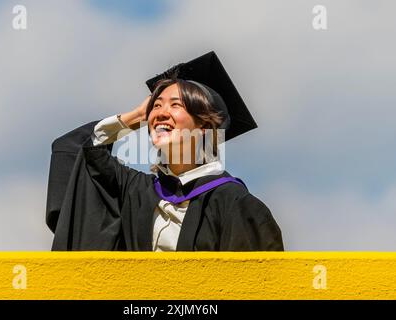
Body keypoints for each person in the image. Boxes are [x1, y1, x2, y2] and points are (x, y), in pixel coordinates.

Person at [46, 51, 283, 251]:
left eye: (176, 105)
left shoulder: (236, 204)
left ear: (204, 126)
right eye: (156, 105)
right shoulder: (135, 191)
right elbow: (79, 150)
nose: (160, 112)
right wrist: (137, 116)